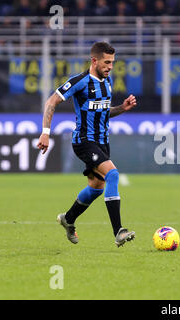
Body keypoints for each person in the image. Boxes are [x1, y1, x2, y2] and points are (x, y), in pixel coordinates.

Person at [37, 42, 138, 247]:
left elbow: (102, 112)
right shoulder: (80, 81)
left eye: (112, 62)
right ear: (94, 61)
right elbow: (51, 102)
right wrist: (45, 133)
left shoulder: (107, 82)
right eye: (106, 62)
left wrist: (122, 108)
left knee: (96, 187)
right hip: (84, 141)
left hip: (102, 142)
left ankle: (68, 219)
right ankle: (118, 231)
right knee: (113, 174)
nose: (110, 66)